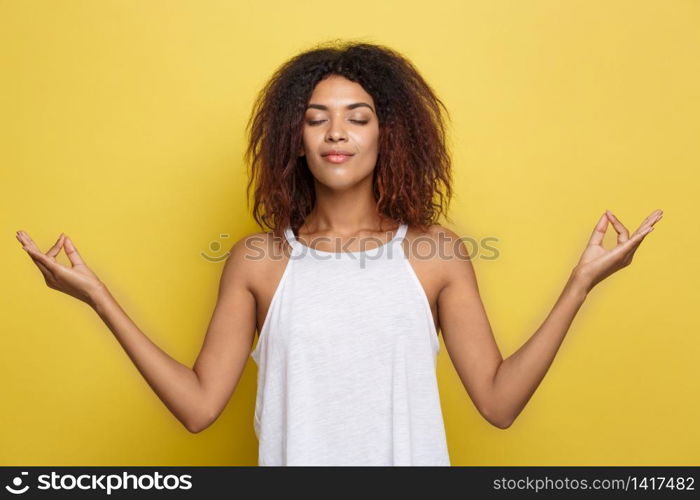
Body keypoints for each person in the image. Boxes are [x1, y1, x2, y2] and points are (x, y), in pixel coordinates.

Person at [15, 41, 663, 466]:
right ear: (293, 137)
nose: (336, 133)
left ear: (389, 134)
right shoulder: (258, 260)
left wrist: (579, 286)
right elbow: (197, 408)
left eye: (357, 116)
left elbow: (498, 403)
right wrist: (98, 298)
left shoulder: (436, 253)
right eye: (317, 117)